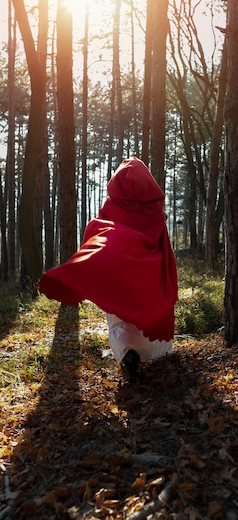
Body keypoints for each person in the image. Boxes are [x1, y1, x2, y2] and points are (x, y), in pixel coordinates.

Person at [39, 157, 178, 381]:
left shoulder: (112, 208)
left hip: (118, 278)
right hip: (148, 279)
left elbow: (98, 237)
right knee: (148, 313)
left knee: (119, 320)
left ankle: (126, 354)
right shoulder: (153, 212)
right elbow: (164, 250)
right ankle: (153, 356)